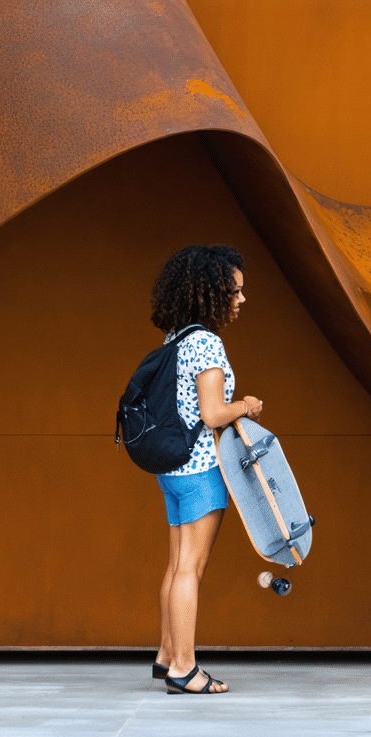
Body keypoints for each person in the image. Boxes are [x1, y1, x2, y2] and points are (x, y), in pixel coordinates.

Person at [148, 244, 263, 694]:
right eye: (235, 291)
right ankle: (185, 668)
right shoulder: (207, 343)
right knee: (190, 570)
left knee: (176, 565)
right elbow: (213, 414)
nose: (242, 299)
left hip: (174, 470)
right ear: (210, 293)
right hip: (199, 470)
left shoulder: (176, 338)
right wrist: (246, 405)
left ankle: (166, 654)